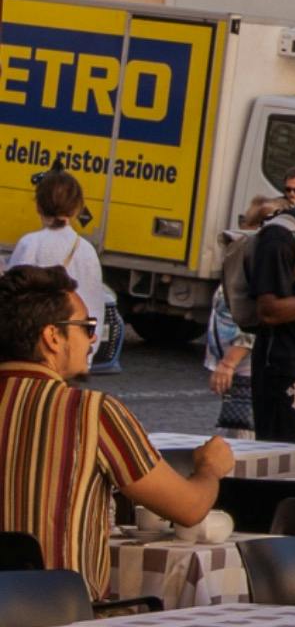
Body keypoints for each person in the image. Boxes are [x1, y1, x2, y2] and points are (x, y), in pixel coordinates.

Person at [0, 264, 232, 591]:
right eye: (86, 326)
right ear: (52, 336)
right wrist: (210, 467)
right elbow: (189, 508)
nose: (93, 337)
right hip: (60, 621)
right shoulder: (91, 412)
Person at [213, 170, 295, 444]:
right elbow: (263, 313)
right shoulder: (277, 241)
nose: (292, 196)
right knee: (267, 447)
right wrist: (228, 363)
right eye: (288, 190)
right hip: (278, 363)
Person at [11, 169, 119, 377]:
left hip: (32, 355)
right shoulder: (86, 250)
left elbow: (13, 304)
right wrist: (86, 353)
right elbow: (94, 306)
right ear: (77, 208)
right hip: (72, 353)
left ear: (38, 205)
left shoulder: (30, 243)